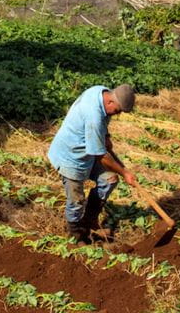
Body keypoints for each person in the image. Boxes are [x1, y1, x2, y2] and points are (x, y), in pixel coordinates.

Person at [47, 84, 138, 242]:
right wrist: (124, 173)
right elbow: (101, 156)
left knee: (109, 180)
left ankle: (89, 221)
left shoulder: (101, 91)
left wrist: (106, 135)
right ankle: (76, 234)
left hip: (87, 151)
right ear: (110, 102)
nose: (116, 115)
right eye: (117, 111)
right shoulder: (93, 117)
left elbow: (103, 124)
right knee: (76, 200)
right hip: (70, 156)